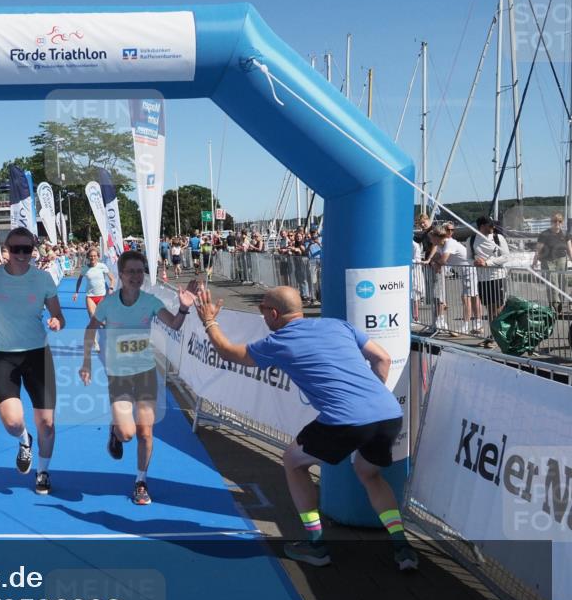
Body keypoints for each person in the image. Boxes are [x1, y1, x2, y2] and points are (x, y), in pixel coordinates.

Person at [194, 284, 417, 570]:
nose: (262, 314)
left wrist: (209, 321)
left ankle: (316, 545)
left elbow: (228, 352)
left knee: (293, 461)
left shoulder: (279, 341)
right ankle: (402, 547)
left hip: (346, 419)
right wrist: (368, 400)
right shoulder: (338, 325)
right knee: (368, 473)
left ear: (274, 313)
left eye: (262, 309)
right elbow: (382, 358)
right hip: (388, 412)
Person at [79, 252, 198, 505]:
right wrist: (86, 361)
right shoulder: (108, 303)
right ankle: (115, 430)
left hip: (145, 373)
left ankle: (141, 481)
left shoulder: (150, 301)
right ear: (121, 275)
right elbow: (91, 329)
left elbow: (174, 324)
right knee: (127, 434)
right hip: (119, 375)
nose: (136, 276)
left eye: (139, 271)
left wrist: (184, 307)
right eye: (130, 271)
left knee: (145, 431)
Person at [0, 227, 66, 495]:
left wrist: (57, 322)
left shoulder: (43, 278)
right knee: (12, 422)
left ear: (33, 251)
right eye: (16, 249)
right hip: (1, 355)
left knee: (47, 423)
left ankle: (43, 472)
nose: (21, 254)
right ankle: (25, 441)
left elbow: (59, 315)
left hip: (37, 354)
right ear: (7, 250)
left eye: (27, 249)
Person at [469, 215, 510, 346]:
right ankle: (494, 335)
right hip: (482, 279)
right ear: (482, 226)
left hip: (498, 276)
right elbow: (468, 258)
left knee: (499, 308)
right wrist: (475, 262)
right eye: (491, 225)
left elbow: (506, 256)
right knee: (490, 310)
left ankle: (500, 336)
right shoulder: (471, 239)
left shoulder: (499, 238)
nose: (493, 227)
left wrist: (487, 263)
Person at [531, 213, 572, 313]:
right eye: (555, 221)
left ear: (562, 222)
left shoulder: (565, 234)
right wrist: (534, 261)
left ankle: (560, 304)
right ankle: (555, 306)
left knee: (562, 283)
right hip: (548, 261)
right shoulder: (544, 234)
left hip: (562, 260)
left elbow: (569, 249)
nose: (557, 223)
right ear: (551, 222)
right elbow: (538, 249)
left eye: (559, 221)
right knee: (553, 284)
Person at [72, 248, 114, 326]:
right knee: (93, 317)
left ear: (97, 256)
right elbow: (79, 280)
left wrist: (111, 288)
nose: (93, 258)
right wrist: (76, 292)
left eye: (95, 256)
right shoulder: (85, 268)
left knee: (102, 320)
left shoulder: (102, 266)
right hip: (90, 297)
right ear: (88, 257)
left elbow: (112, 278)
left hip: (102, 296)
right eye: (91, 256)